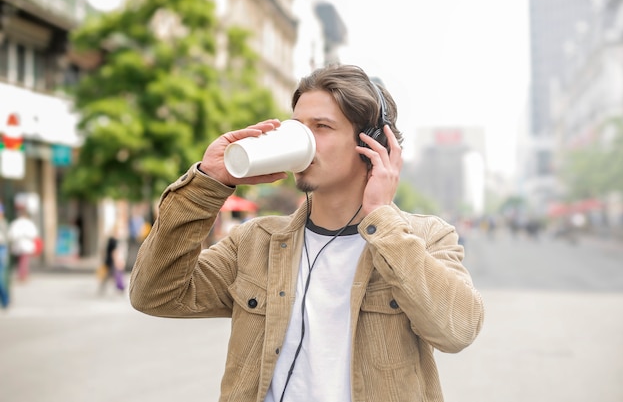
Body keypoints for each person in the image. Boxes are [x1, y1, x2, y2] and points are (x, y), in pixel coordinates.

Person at [130, 64, 484, 401]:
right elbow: (155, 293)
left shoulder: (425, 238)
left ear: (371, 145)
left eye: (321, 127)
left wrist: (382, 219)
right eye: (297, 126)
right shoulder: (255, 242)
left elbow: (457, 330)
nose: (304, 140)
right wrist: (207, 183)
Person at [8, 204, 39, 283]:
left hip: (20, 245)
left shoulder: (16, 223)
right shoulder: (28, 223)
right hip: (24, 245)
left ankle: (22, 275)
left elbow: (11, 235)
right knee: (24, 261)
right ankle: (23, 275)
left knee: (22, 260)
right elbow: (34, 234)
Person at [99, 223, 127, 294]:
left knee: (110, 275)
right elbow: (114, 253)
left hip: (109, 260)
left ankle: (104, 287)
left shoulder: (111, 239)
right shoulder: (113, 240)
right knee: (115, 274)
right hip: (112, 261)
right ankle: (120, 288)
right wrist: (117, 262)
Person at [0, 203, 10, 308]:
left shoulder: (3, 223)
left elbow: (5, 238)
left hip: (1, 249)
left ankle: (5, 300)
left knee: (1, 279)